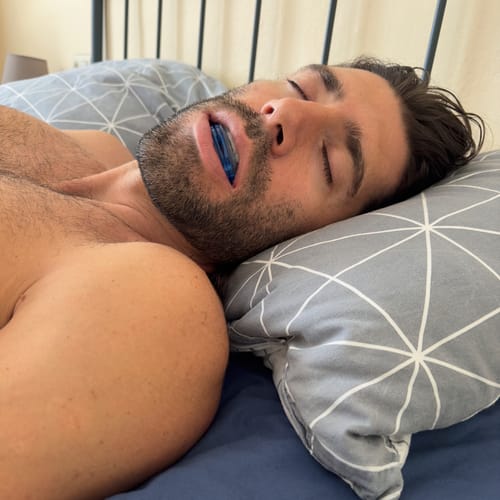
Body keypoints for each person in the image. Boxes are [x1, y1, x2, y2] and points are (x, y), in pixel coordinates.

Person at [0, 57, 484, 499]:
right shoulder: (82, 144)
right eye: (300, 87)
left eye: (328, 162)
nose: (284, 112)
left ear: (320, 238)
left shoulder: (154, 299)